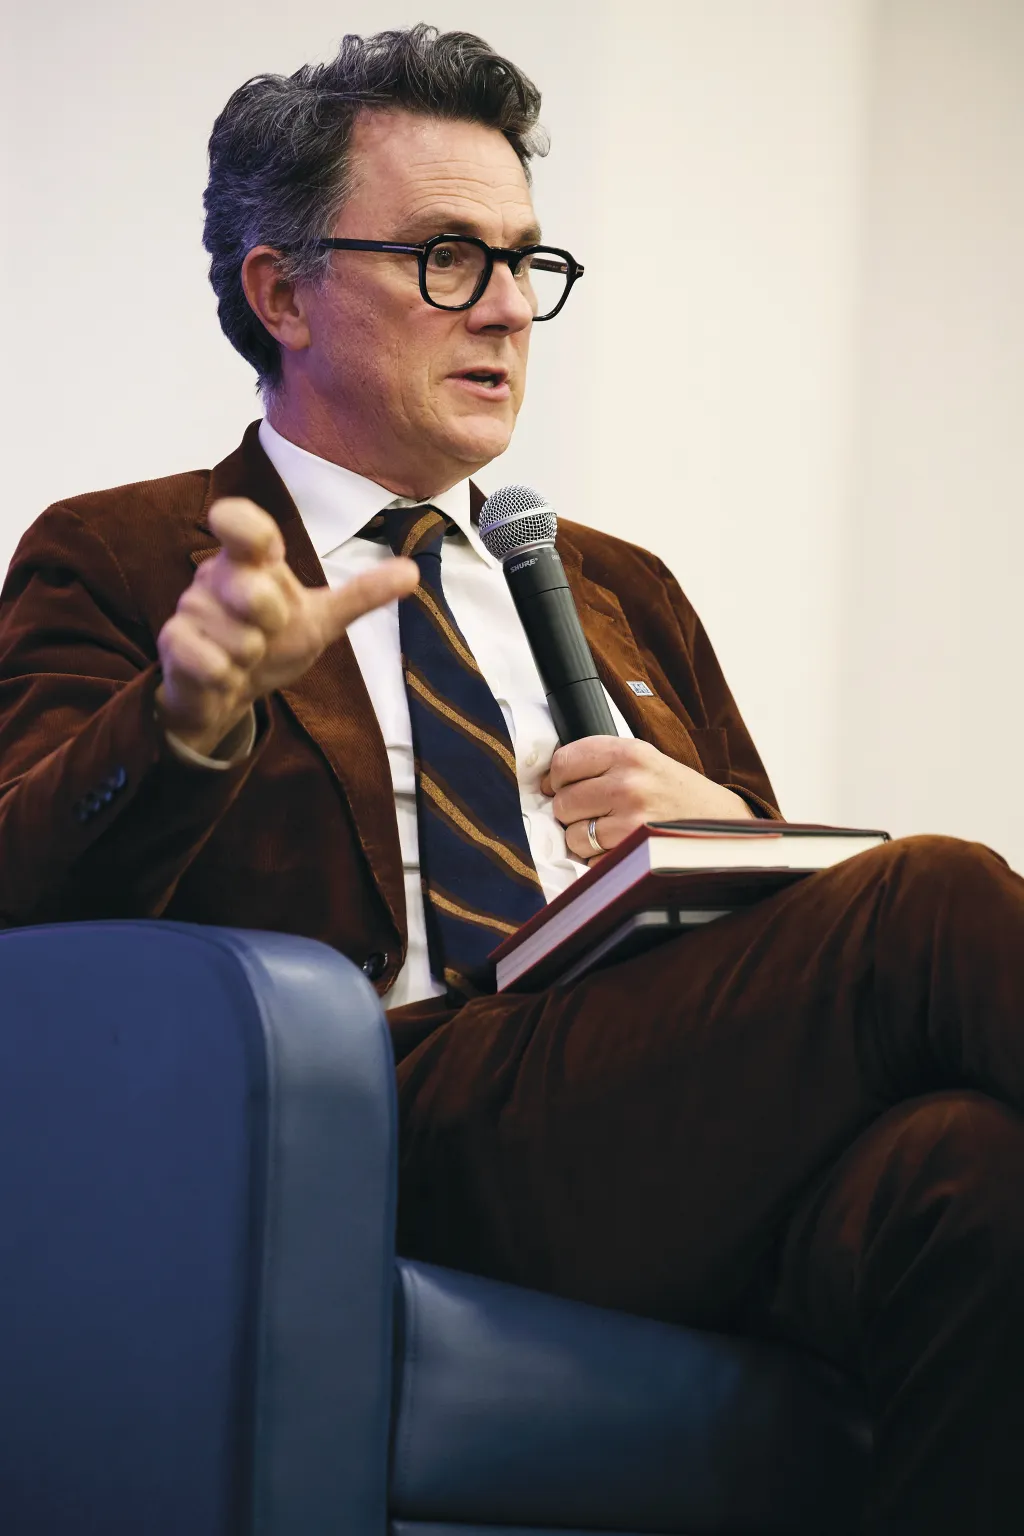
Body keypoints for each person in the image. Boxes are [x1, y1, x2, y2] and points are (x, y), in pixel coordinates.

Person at [1, 25, 1022, 1533]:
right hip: (383, 1123)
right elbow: (26, 896)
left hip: (651, 1114)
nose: (504, 313)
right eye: (444, 259)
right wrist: (186, 720)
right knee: (932, 893)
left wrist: (738, 834)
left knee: (977, 1180)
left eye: (525, 265)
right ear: (282, 291)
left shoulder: (619, 585)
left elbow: (795, 959)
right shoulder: (135, 556)